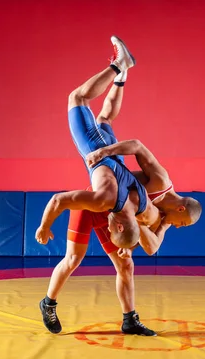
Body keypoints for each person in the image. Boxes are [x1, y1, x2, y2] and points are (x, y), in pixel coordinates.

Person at [35, 36, 162, 252]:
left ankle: (121, 77)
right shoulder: (103, 201)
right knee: (77, 98)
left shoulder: (145, 210)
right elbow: (58, 201)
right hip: (98, 150)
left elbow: (154, 230)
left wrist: (129, 245)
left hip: (116, 156)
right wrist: (44, 227)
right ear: (119, 226)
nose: (107, 225)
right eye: (112, 230)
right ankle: (120, 64)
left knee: (104, 119)